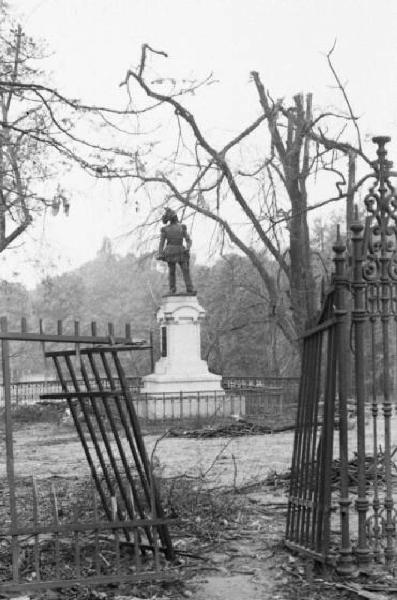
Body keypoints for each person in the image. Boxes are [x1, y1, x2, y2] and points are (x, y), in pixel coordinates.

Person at [157, 208, 195, 294]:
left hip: (178, 250)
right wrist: (160, 253)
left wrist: (188, 248)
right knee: (175, 270)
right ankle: (173, 289)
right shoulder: (166, 229)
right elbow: (161, 243)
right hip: (173, 250)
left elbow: (188, 240)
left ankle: (188, 289)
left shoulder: (181, 227)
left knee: (181, 270)